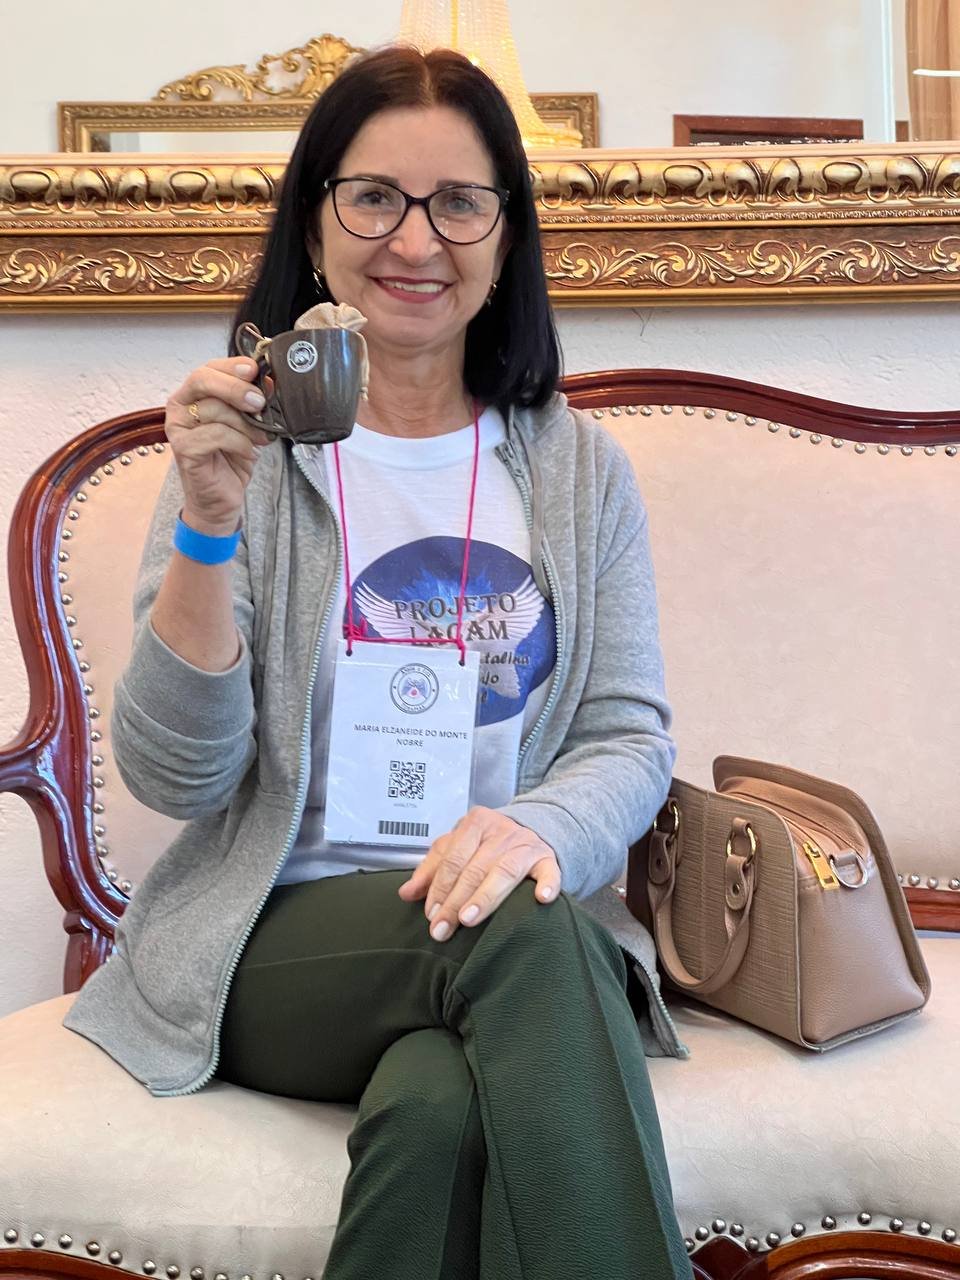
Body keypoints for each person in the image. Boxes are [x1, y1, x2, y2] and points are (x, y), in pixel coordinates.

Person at [65, 44, 692, 1280]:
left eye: (458, 202)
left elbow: (628, 735)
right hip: (282, 936)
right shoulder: (238, 459)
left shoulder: (578, 471)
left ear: (506, 235)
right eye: (374, 198)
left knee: (437, 1106)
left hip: (507, 932)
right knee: (525, 932)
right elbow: (177, 778)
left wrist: (536, 829)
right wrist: (206, 523)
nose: (415, 239)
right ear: (314, 223)